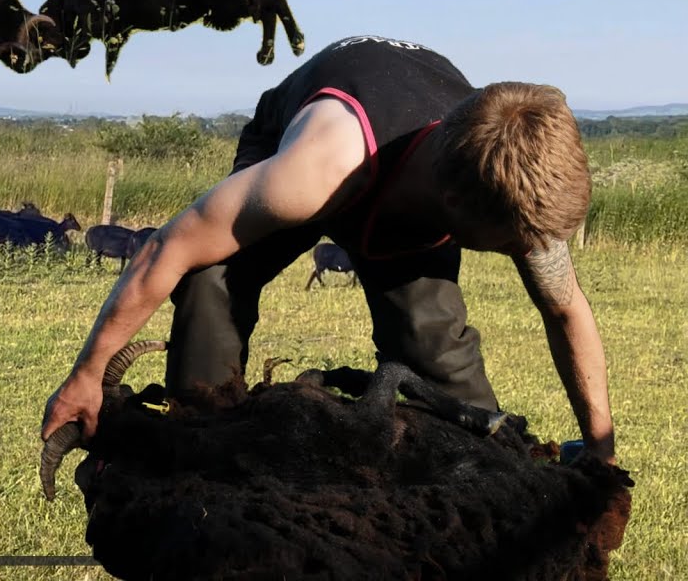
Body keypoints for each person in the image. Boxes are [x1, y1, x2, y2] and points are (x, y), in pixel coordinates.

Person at [40, 34, 615, 464]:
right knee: (211, 283)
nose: (525, 252)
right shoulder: (312, 173)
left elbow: (564, 310)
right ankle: (199, 457)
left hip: (404, 185)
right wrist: (87, 374)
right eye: (509, 245)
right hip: (316, 136)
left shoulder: (511, 180)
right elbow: (167, 249)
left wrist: (599, 447)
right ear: (451, 205)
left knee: (434, 351)